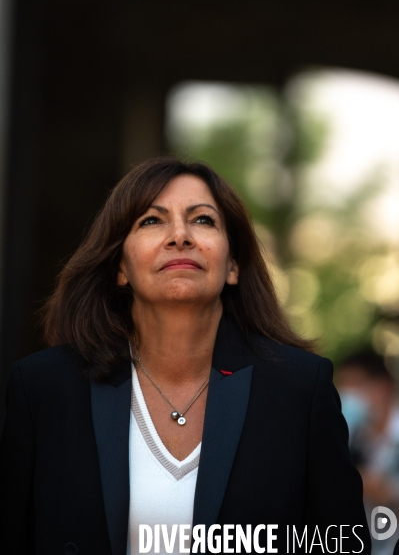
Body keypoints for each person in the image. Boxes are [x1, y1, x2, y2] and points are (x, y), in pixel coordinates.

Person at [0, 157, 371, 555]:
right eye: (152, 221)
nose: (180, 236)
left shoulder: (299, 389)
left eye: (203, 220)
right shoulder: (45, 389)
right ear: (120, 267)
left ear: (233, 264)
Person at [336, 350, 399, 555]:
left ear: (382, 385)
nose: (348, 397)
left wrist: (386, 493)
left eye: (355, 387)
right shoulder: (355, 436)